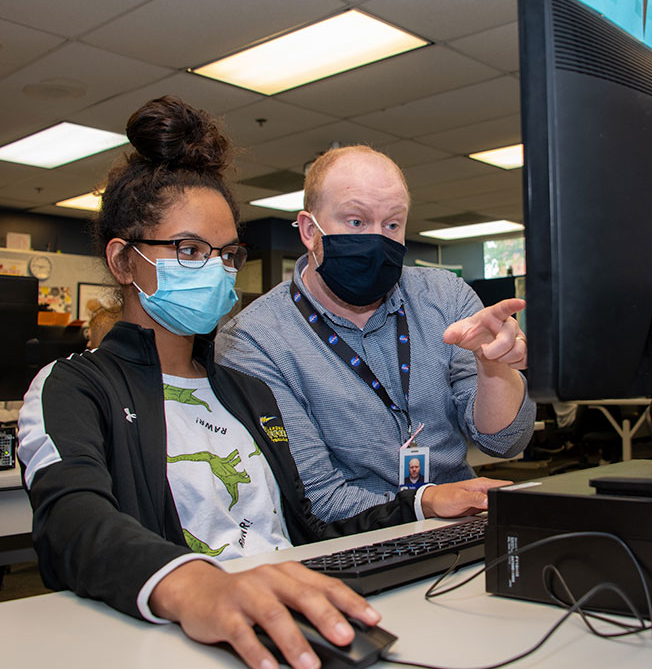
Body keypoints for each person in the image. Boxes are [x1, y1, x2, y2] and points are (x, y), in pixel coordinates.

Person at [17, 97, 509, 669]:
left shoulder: (242, 390)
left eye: (227, 254)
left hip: (284, 610)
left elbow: (310, 518)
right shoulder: (75, 386)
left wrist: (424, 501)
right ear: (125, 262)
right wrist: (195, 586)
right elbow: (71, 523)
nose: (216, 270)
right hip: (174, 628)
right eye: (189, 250)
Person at [216, 145, 536, 522]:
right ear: (308, 230)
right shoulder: (255, 341)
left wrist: (493, 368)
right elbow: (314, 500)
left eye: (392, 224)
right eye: (355, 221)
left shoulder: (444, 297)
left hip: (464, 522)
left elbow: (505, 442)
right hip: (350, 544)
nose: (376, 239)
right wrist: (426, 503)